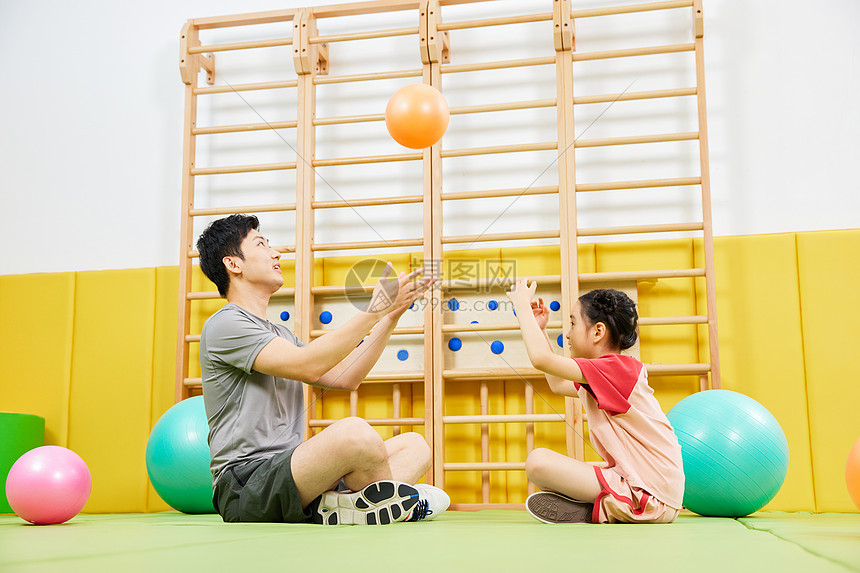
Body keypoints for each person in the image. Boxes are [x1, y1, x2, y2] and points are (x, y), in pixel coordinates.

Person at [196, 214, 449, 525]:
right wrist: (373, 311)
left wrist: (389, 318)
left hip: (295, 475)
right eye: (261, 244)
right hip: (246, 484)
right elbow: (311, 366)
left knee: (415, 446)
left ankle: (346, 505)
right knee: (354, 433)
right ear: (233, 264)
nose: (276, 254)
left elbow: (347, 376)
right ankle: (393, 504)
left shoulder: (281, 335)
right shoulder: (225, 324)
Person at [505, 280, 684, 524]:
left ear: (598, 332)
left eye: (572, 323)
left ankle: (609, 506)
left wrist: (521, 306)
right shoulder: (605, 374)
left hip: (651, 494)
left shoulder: (616, 369)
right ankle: (606, 506)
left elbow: (540, 359)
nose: (567, 333)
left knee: (537, 462)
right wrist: (540, 329)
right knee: (538, 463)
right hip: (654, 491)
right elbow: (557, 384)